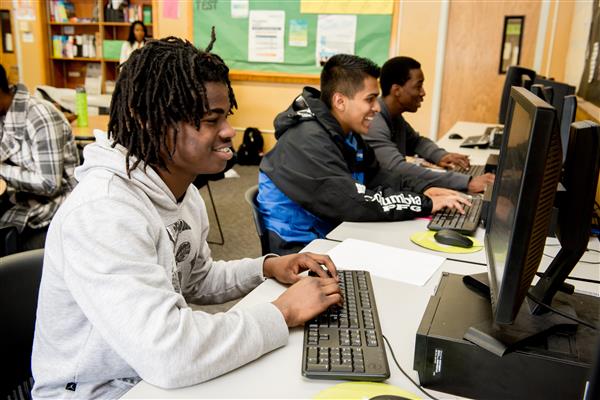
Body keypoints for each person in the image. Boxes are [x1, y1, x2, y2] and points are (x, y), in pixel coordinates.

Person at [31, 36, 342, 399]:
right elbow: (169, 352)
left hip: (147, 373)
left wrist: (267, 268)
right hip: (95, 392)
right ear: (148, 121)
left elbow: (193, 278)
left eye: (226, 116)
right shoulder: (103, 212)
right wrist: (281, 313)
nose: (228, 131)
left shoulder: (181, 190)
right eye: (211, 120)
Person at [258, 54, 470, 255]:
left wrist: (426, 190)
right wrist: (424, 203)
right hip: (299, 247)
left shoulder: (346, 133)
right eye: (370, 99)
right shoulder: (308, 139)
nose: (377, 108)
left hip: (332, 229)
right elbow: (351, 202)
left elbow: (379, 175)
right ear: (340, 101)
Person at [364, 56, 495, 193]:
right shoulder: (375, 121)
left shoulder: (394, 116)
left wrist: (441, 156)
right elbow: (398, 169)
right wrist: (466, 182)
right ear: (397, 90)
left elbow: (415, 142)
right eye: (418, 86)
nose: (423, 93)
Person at [0, 64, 79, 250]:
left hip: (52, 211)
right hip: (17, 201)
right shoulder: (4, 114)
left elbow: (49, 183)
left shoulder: (40, 117)